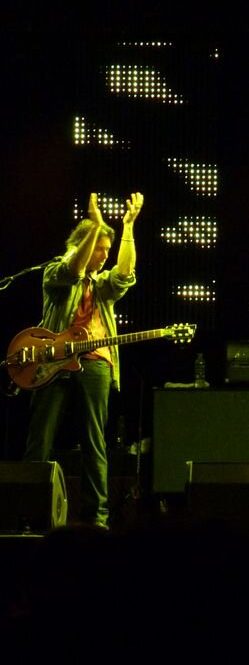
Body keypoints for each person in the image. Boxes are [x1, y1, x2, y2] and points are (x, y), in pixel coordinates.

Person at [23, 191, 144, 528]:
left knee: (94, 440)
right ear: (83, 246)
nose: (104, 256)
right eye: (99, 249)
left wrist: (128, 226)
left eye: (106, 249)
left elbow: (124, 273)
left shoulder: (102, 285)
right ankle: (28, 514)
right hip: (51, 364)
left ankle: (97, 518)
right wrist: (95, 225)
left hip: (95, 362)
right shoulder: (54, 273)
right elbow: (73, 269)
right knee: (40, 439)